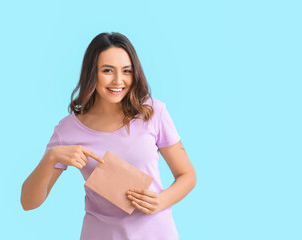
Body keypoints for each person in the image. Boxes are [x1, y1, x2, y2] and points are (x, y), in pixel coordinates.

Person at [20, 32, 197, 240]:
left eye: (126, 71)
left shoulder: (153, 113)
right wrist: (51, 158)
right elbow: (28, 203)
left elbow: (187, 175)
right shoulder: (68, 130)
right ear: (91, 73)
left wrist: (161, 200)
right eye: (107, 71)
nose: (118, 81)